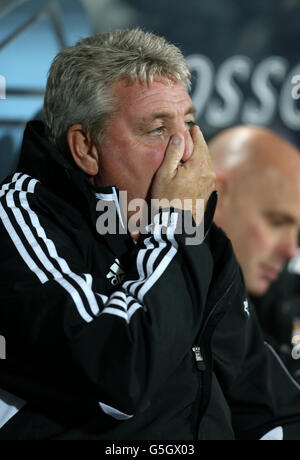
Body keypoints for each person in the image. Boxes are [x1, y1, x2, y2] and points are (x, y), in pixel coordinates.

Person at [0, 29, 300, 441]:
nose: (187, 151)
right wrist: (175, 224)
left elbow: (270, 410)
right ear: (86, 147)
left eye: (190, 125)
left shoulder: (202, 241)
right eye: (157, 130)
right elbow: (120, 377)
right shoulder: (20, 220)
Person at [209, 125, 300, 380]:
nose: (291, 250)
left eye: (297, 231)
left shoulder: (280, 310)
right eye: (277, 222)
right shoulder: (160, 302)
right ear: (216, 196)